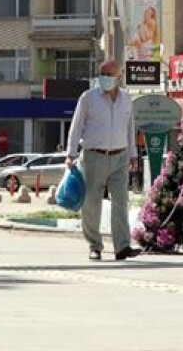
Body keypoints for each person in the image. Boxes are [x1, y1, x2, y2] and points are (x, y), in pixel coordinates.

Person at [65, 60, 142, 262]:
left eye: (109, 74)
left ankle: (122, 246)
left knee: (120, 202)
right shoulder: (88, 98)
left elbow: (129, 129)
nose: (104, 78)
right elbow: (76, 126)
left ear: (119, 77)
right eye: (102, 74)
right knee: (92, 202)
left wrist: (133, 155)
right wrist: (70, 154)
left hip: (120, 156)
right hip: (94, 156)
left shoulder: (126, 98)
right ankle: (95, 245)